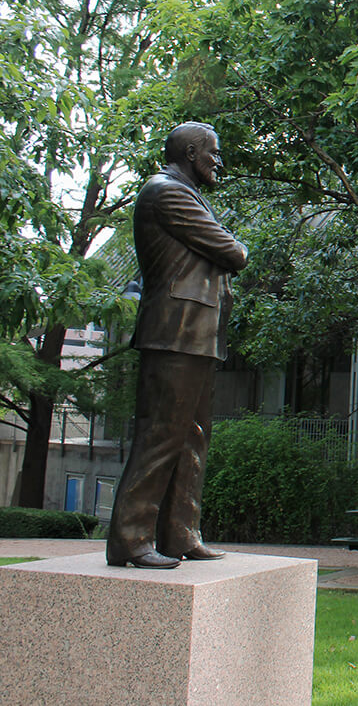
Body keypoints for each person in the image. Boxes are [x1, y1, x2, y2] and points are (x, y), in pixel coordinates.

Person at [106, 122, 248, 569]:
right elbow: (233, 253)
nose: (218, 161)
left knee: (192, 438)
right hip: (174, 333)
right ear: (190, 151)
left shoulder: (186, 193)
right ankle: (130, 540)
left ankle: (179, 534)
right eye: (213, 152)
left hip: (198, 335)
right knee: (161, 437)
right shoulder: (165, 192)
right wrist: (231, 248)